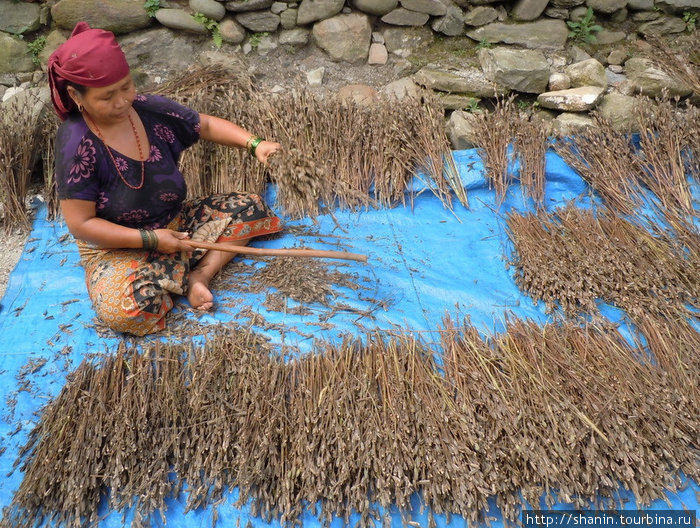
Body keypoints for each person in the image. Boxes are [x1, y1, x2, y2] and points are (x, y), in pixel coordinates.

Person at [48, 21, 283, 336]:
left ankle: (199, 275)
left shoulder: (148, 110)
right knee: (126, 311)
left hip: (178, 226)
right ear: (77, 95)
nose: (122, 102)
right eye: (106, 97)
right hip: (117, 248)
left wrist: (255, 144)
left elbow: (205, 126)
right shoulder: (76, 143)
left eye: (126, 87)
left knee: (251, 207)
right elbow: (82, 225)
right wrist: (151, 240)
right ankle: (178, 276)